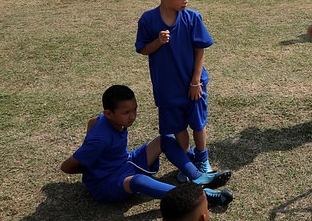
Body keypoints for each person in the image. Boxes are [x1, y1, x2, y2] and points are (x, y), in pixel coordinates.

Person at [61, 85, 233, 206]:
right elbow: (66, 167)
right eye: (126, 112)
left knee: (164, 140)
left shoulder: (103, 119)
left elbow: (91, 122)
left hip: (125, 164)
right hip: (107, 184)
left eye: (135, 110)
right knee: (139, 180)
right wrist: (93, 170)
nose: (132, 116)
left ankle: (197, 176)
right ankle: (194, 198)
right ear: (109, 113)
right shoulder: (99, 140)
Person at [136, 0, 221, 180]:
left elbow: (199, 49)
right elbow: (143, 49)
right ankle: (186, 162)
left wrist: (195, 82)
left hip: (193, 85)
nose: (186, 1)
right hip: (167, 87)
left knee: (198, 123)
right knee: (177, 127)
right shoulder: (148, 20)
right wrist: (158, 42)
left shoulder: (192, 18)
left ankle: (202, 159)